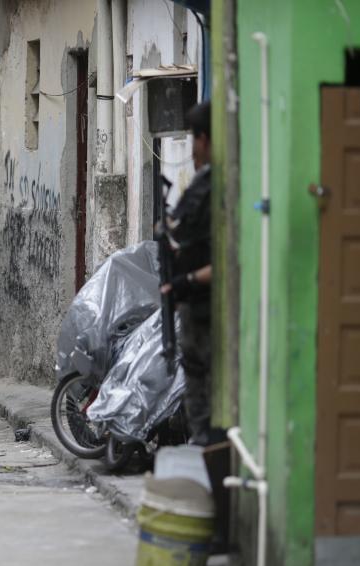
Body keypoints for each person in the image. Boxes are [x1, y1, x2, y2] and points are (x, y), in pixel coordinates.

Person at [160, 101, 213, 446]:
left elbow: (224, 258)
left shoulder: (216, 186)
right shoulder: (204, 182)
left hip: (207, 310)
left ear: (205, 140)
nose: (192, 147)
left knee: (206, 392)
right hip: (194, 308)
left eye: (195, 137)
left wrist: (186, 281)